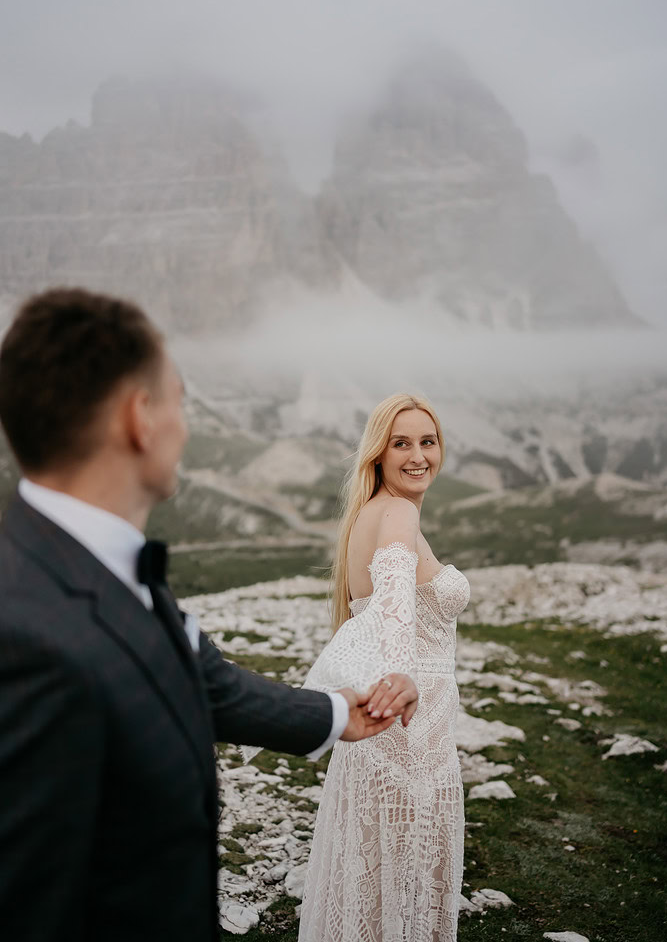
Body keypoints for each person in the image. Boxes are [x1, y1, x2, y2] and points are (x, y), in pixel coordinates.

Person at [0, 288, 417, 942]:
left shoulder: (100, 562)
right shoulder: (24, 632)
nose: (186, 426)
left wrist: (340, 713)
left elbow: (208, 682)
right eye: (180, 401)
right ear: (141, 418)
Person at [297, 393, 471, 942]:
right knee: (407, 876)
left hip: (389, 722)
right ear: (378, 454)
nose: (419, 455)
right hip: (408, 726)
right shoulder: (397, 511)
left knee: (371, 873)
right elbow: (394, 593)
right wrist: (405, 675)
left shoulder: (368, 515)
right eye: (402, 443)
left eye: (428, 441)